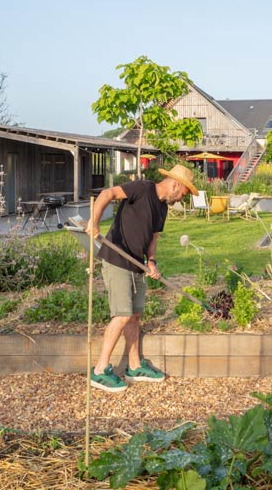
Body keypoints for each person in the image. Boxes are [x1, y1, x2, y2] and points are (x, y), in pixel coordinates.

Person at [86, 163, 197, 392]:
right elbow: (108, 193)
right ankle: (99, 370)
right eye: (184, 194)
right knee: (123, 315)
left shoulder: (163, 208)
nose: (182, 199)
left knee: (135, 315)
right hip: (117, 258)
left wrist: (152, 261)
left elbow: (153, 237)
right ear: (175, 185)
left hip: (137, 264)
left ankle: (134, 366)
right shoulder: (142, 188)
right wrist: (94, 222)